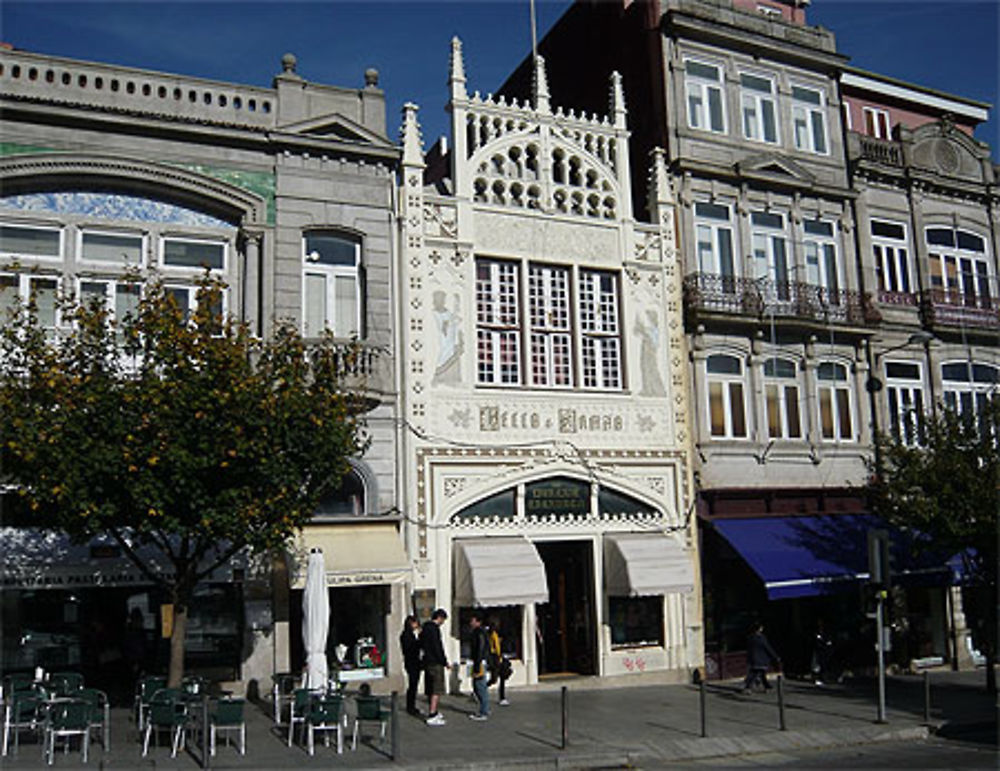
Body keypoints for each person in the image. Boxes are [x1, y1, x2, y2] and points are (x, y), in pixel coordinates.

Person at [421, 608, 449, 726]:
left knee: (430, 687)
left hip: (427, 661)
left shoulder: (425, 629)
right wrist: (444, 661)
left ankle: (434, 711)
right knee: (436, 689)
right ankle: (432, 714)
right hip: (435, 662)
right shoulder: (434, 630)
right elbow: (438, 647)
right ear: (440, 618)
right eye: (443, 620)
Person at [742, 622, 781, 693]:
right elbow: (767, 648)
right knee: (756, 673)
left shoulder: (750, 637)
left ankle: (766, 686)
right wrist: (775, 656)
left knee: (760, 673)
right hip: (761, 659)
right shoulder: (761, 638)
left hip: (753, 659)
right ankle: (748, 687)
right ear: (759, 629)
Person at [467, 612, 489, 721]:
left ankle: (483, 711)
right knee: (478, 686)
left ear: (478, 622)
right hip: (478, 661)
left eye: (473, 620)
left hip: (478, 662)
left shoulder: (479, 633)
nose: (471, 622)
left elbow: (479, 649)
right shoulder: (480, 632)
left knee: (479, 686)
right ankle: (484, 708)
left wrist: (477, 665)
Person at [399, 615, 422, 716]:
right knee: (413, 685)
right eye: (415, 623)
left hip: (413, 661)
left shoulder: (409, 634)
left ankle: (411, 705)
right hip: (412, 662)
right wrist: (419, 641)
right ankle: (410, 706)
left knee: (414, 685)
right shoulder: (407, 635)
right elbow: (412, 648)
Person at [487, 616, 511, 706]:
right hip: (496, 658)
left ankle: (502, 697)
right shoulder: (493, 634)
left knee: (500, 678)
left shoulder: (493, 634)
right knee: (495, 678)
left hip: (497, 657)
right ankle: (479, 691)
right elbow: (496, 648)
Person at [811, 620, 833, 686]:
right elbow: (816, 639)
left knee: (823, 664)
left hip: (824, 650)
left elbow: (828, 640)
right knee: (816, 665)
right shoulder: (816, 632)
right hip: (818, 649)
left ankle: (822, 678)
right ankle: (816, 679)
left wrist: (827, 642)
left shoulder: (826, 632)